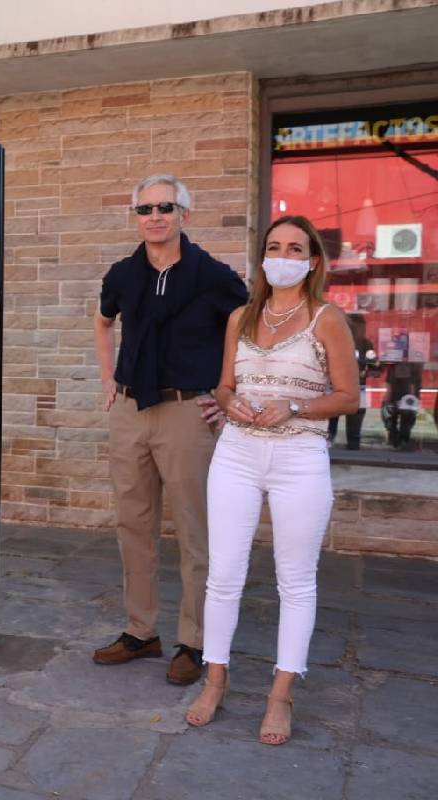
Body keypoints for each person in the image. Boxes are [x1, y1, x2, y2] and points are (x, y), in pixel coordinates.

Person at [186, 215, 358, 745]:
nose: (281, 255)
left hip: (299, 458)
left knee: (296, 581)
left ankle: (280, 695)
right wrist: (228, 401)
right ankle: (216, 680)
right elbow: (223, 385)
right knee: (224, 575)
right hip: (237, 453)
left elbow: (349, 398)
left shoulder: (327, 319)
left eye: (294, 248)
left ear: (311, 262)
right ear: (263, 256)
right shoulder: (240, 316)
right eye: (273, 246)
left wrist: (295, 405)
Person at [92, 174, 248, 685]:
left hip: (187, 412)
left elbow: (245, 338)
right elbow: (102, 321)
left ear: (185, 213)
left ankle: (195, 640)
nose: (155, 216)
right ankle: (141, 631)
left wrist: (226, 396)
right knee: (133, 524)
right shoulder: (122, 274)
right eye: (145, 209)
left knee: (193, 528)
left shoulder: (215, 278)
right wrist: (108, 376)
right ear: (136, 217)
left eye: (165, 206)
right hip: (132, 409)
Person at [326, 314, 376, 449]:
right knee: (330, 424)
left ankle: (353, 447)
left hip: (359, 387)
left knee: (355, 425)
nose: (360, 330)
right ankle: (327, 446)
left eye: (362, 327)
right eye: (357, 327)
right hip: (335, 388)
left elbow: (375, 366)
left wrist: (370, 367)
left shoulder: (366, 344)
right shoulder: (336, 341)